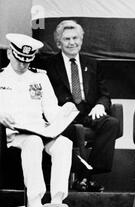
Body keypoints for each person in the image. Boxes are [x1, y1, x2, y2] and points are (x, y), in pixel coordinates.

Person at [0, 33, 73, 207]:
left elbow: (50, 109)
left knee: (64, 144)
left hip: (40, 129)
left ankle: (57, 202)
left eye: (27, 60)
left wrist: (64, 113)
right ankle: (36, 202)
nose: (23, 64)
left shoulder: (39, 78)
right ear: (10, 53)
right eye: (19, 59)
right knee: (33, 142)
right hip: (13, 134)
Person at [45, 20, 119, 192]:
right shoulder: (48, 65)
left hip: (88, 112)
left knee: (111, 124)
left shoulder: (93, 63)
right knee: (75, 131)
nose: (72, 42)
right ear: (58, 43)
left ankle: (86, 174)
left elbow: (105, 94)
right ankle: (84, 177)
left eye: (75, 38)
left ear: (81, 40)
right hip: (62, 116)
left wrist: (100, 105)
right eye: (66, 39)